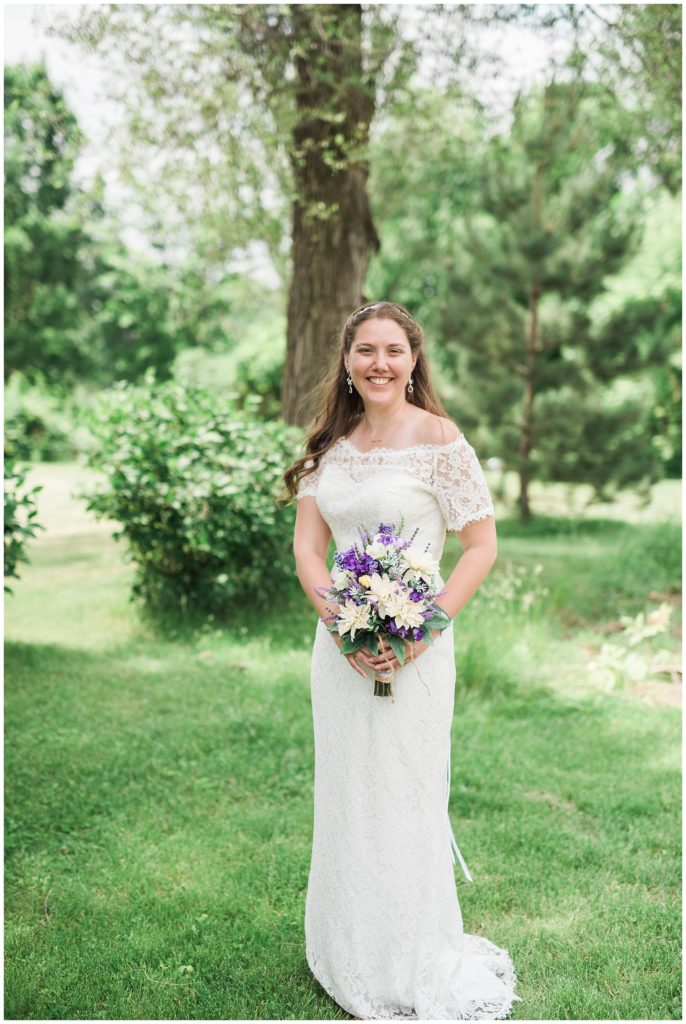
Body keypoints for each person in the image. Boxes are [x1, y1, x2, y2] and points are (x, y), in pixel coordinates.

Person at [282, 301, 520, 1020]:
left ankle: (409, 956)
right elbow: (308, 547)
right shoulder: (330, 444)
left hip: (418, 652)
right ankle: (347, 948)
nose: (379, 363)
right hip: (342, 655)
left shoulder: (441, 441)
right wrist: (339, 620)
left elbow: (480, 545)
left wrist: (425, 629)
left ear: (414, 360)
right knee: (349, 794)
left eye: (393, 350)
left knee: (404, 794)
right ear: (347, 362)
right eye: (365, 351)